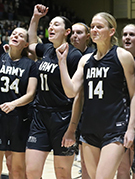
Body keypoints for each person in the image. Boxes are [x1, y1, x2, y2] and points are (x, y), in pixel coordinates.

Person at [57, 12, 135, 179]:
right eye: (92, 27)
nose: (94, 30)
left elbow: (134, 94)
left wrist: (131, 128)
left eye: (99, 27)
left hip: (115, 128)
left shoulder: (122, 56)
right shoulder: (85, 61)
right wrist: (62, 62)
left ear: (112, 31)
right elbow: (71, 91)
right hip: (89, 129)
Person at [25, 4, 82, 179]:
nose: (51, 27)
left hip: (63, 118)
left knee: (62, 174)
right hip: (40, 117)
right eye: (50, 25)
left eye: (56, 24)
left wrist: (72, 128)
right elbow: (32, 43)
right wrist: (35, 18)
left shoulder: (74, 56)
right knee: (32, 172)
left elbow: (77, 96)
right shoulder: (47, 49)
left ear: (67, 32)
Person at [0, 0, 38, 178]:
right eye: (14, 33)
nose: (16, 35)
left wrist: (14, 104)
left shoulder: (31, 65)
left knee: (16, 170)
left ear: (26, 43)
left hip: (20, 119)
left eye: (21, 35)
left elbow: (31, 94)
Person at [69, 22, 95, 179]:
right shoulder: (64, 54)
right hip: (67, 111)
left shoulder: (92, 56)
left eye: (79, 32)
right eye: (72, 32)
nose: (74, 35)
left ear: (88, 36)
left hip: (87, 114)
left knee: (88, 164)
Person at [117, 24, 135, 179]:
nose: (127, 37)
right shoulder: (116, 59)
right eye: (125, 34)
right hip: (120, 118)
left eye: (132, 34)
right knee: (122, 169)